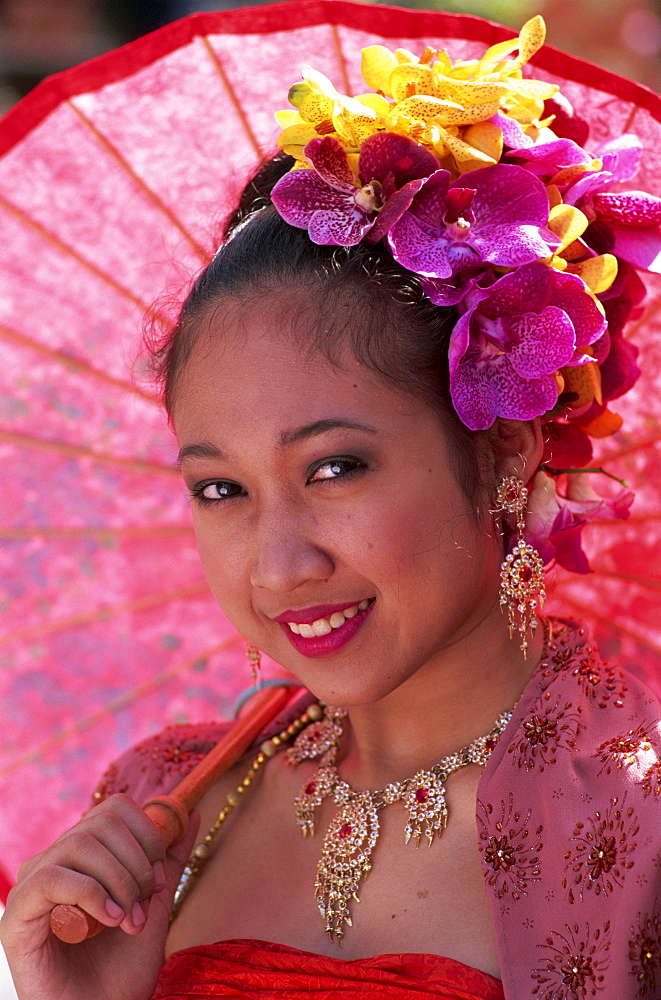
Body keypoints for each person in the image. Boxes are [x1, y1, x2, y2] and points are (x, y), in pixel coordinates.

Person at [1, 13, 660, 1000]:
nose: (276, 566)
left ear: (504, 453)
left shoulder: (630, 820)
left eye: (334, 468)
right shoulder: (163, 813)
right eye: (220, 488)